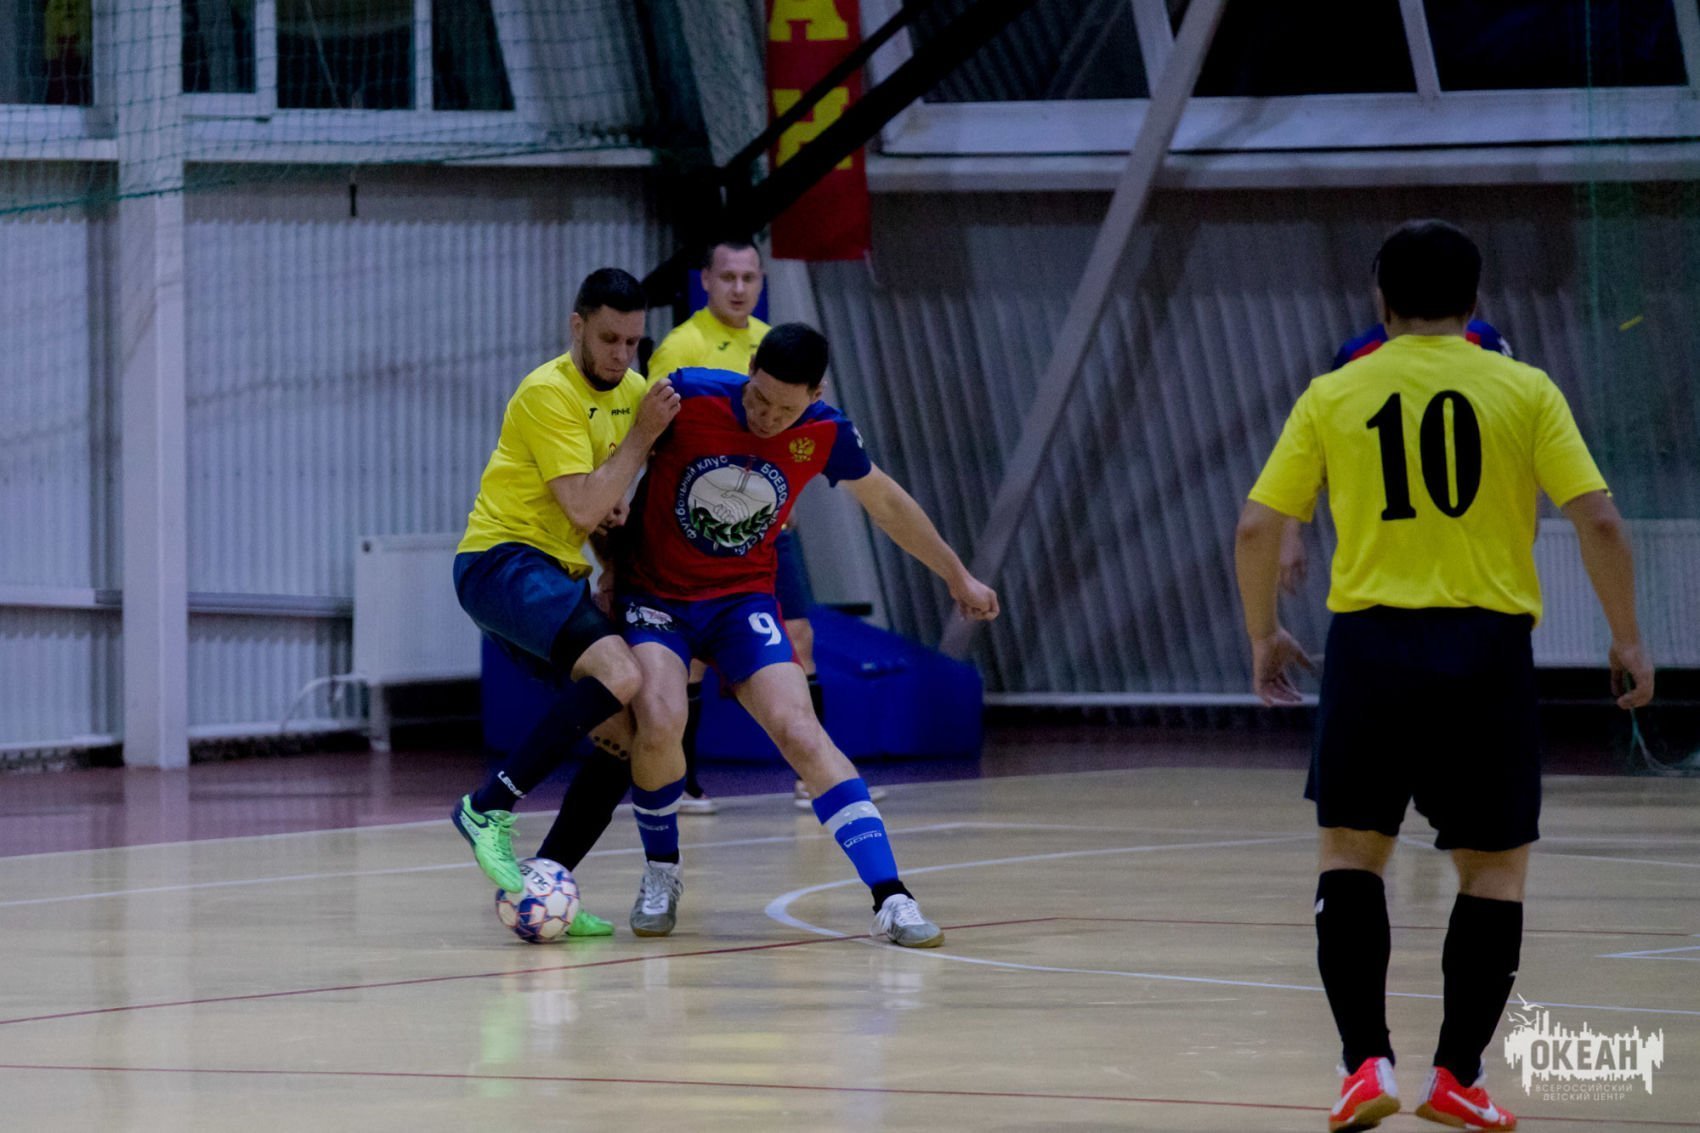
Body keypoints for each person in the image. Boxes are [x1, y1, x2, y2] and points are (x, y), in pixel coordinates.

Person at [1233, 220, 1653, 1132]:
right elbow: (1600, 522)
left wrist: (1264, 633)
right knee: (1493, 869)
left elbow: (1258, 527)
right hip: (1486, 653)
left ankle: (1363, 1063)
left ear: (1380, 301)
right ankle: (1458, 1074)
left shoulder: (1334, 393)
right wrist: (1627, 638)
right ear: (1476, 300)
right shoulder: (1525, 388)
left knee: (1351, 854)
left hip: (1369, 650)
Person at [613, 323, 999, 946]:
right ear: (750, 371)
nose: (766, 417)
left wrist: (958, 575)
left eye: (784, 409)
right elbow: (608, 463)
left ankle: (891, 896)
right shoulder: (689, 395)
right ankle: (662, 869)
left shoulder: (825, 431)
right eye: (758, 398)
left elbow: (887, 505)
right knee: (660, 719)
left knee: (799, 729)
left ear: (815, 396)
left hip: (741, 601)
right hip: (657, 596)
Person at [450, 267, 680, 934]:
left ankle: (544, 882)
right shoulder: (547, 392)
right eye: (608, 339)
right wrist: (639, 439)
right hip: (501, 561)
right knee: (621, 672)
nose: (621, 355)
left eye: (632, 342)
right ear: (576, 326)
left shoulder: (631, 392)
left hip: (557, 573)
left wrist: (611, 557)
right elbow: (582, 502)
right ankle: (487, 805)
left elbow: (600, 509)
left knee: (626, 737)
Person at [647, 238, 879, 814]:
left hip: (763, 527)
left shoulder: (773, 339)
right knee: (689, 652)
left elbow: (796, 438)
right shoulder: (684, 346)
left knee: (799, 637)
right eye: (728, 277)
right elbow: (656, 440)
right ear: (706, 280)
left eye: (749, 278)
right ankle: (685, 782)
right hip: (699, 528)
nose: (739, 288)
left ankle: (811, 775)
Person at [1279, 317, 1514, 596]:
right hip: (1392, 556)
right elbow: (1323, 446)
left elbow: (1516, 431)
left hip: (1472, 550)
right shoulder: (1357, 354)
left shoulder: (1482, 340)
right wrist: (1290, 531)